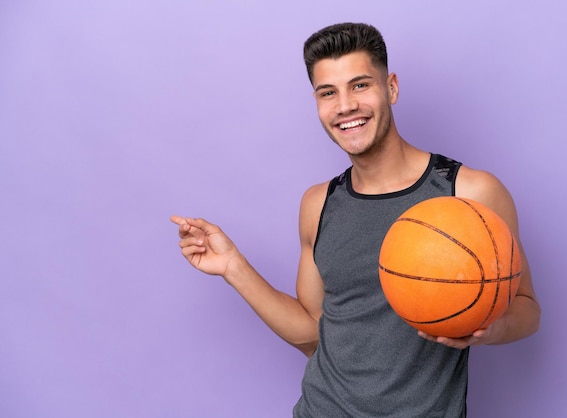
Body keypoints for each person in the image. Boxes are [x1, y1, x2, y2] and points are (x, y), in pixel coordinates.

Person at [171, 22, 541, 418]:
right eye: (327, 93)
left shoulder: (470, 192)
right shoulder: (317, 204)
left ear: (392, 88)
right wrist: (234, 267)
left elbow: (526, 309)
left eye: (360, 85)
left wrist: (486, 331)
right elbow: (313, 332)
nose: (345, 105)